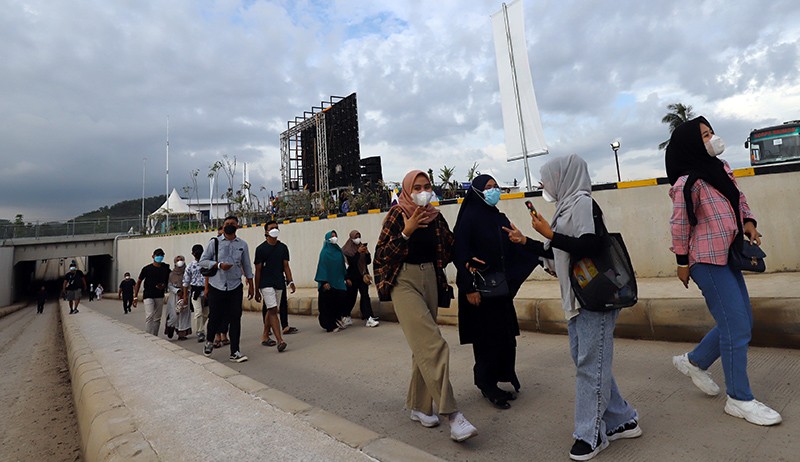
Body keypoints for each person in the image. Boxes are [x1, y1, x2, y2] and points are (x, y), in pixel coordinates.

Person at [506, 154, 640, 460]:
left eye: (547, 177)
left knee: (590, 367)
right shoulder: (565, 207)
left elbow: (589, 245)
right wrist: (524, 241)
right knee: (592, 364)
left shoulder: (581, 202)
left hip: (595, 299)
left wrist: (550, 235)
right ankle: (622, 418)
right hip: (578, 299)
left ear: (563, 176)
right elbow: (558, 252)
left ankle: (590, 435)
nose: (543, 184)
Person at [666, 116, 781, 426]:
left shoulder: (721, 168)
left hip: (727, 255)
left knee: (741, 320)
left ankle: (694, 361)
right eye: (704, 135)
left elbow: (738, 199)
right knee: (736, 327)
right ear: (692, 142)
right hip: (704, 260)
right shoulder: (687, 183)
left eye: (711, 132)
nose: (711, 138)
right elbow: (679, 226)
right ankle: (739, 399)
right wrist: (681, 263)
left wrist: (749, 222)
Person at [373, 169, 478, 443]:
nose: (422, 191)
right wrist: (406, 233)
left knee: (422, 347)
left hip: (431, 278)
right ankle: (453, 416)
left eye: (426, 185)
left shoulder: (434, 216)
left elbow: (451, 246)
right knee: (434, 344)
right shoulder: (397, 215)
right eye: (416, 186)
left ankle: (420, 407)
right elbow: (382, 255)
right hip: (403, 281)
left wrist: (471, 259)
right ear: (407, 189)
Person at [453, 174, 537, 409]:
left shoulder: (498, 217)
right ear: (477, 191)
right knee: (486, 340)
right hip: (479, 291)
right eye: (488, 187)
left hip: (499, 291)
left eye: (495, 187)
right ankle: (487, 385)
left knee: (504, 337)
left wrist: (538, 257)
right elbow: (460, 255)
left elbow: (513, 246)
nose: (494, 191)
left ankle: (501, 378)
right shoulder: (468, 218)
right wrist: (468, 287)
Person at [200, 216, 255, 363]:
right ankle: (209, 341)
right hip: (216, 285)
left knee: (235, 318)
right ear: (223, 227)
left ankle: (235, 351)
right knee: (215, 316)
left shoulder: (242, 245)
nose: (229, 226)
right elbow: (203, 261)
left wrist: (251, 284)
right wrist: (218, 265)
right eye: (227, 224)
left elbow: (247, 265)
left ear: (237, 226)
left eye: (232, 224)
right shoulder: (215, 242)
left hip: (235, 286)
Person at [254, 220, 294, 352]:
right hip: (266, 284)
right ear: (266, 232)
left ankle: (265, 335)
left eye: (276, 227)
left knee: (272, 310)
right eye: (272, 228)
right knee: (273, 309)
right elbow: (258, 271)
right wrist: (256, 290)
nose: (275, 230)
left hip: (279, 283)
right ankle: (280, 340)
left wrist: (290, 281)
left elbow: (286, 266)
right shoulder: (260, 249)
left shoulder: (283, 248)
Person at [342, 230, 379, 328]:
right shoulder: (346, 250)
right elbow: (350, 264)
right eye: (355, 237)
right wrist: (358, 253)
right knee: (351, 298)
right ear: (351, 238)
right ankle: (346, 315)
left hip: (362, 276)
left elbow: (368, 262)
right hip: (352, 278)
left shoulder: (361, 247)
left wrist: (366, 253)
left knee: (365, 296)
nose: (358, 239)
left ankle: (369, 317)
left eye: (359, 236)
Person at [315, 230, 349, 332]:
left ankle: (337, 319)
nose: (334, 238)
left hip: (338, 281)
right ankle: (329, 325)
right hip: (328, 283)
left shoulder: (338, 251)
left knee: (340, 300)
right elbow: (322, 267)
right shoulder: (324, 253)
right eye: (332, 236)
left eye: (335, 236)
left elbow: (342, 266)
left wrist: (345, 277)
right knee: (327, 304)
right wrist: (324, 281)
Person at [132, 248, 171, 336]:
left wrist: (164, 285)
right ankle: (148, 335)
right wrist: (135, 296)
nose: (159, 258)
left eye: (161, 256)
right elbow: (139, 282)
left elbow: (171, 278)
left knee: (157, 318)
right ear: (153, 256)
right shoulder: (146, 269)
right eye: (157, 256)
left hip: (159, 295)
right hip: (148, 295)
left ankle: (155, 335)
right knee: (149, 316)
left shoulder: (165, 268)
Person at [183, 244, 209, 342]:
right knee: (198, 312)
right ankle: (200, 331)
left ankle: (200, 327)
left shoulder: (207, 264)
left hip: (206, 291)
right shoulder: (190, 266)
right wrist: (185, 296)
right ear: (193, 254)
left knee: (206, 313)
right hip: (196, 292)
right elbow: (186, 282)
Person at [168, 255, 191, 340]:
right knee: (175, 314)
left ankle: (182, 333)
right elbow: (169, 285)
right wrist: (177, 291)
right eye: (177, 260)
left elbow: (190, 282)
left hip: (186, 295)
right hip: (175, 296)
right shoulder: (171, 274)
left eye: (181, 259)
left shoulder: (188, 271)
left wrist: (186, 292)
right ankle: (172, 328)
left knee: (184, 314)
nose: (180, 261)